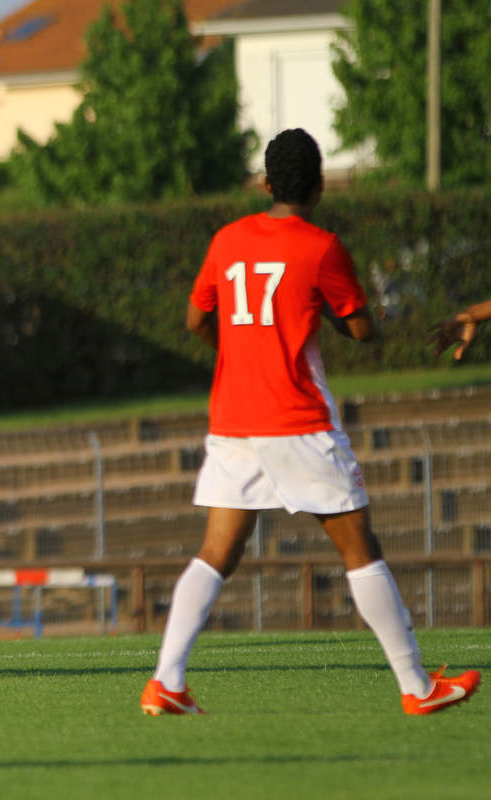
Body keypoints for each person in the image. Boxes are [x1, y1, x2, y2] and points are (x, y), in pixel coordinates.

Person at [141, 129, 480, 716]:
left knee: (216, 550)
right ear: (319, 185)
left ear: (265, 184)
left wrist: (243, 347)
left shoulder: (227, 239)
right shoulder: (322, 247)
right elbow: (364, 331)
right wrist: (319, 308)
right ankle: (417, 687)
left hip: (234, 419)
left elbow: (197, 321)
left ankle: (167, 679)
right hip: (296, 419)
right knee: (360, 548)